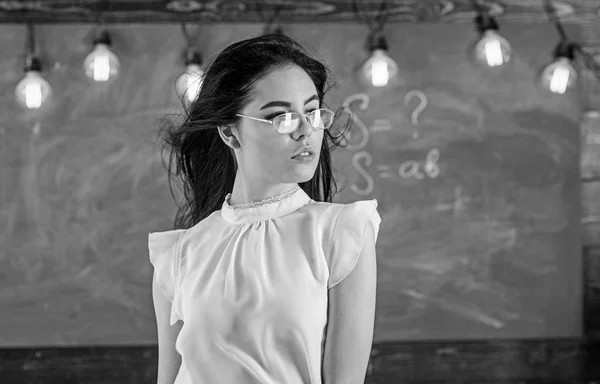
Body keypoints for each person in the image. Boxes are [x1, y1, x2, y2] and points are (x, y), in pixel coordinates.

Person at [148, 33, 382, 384]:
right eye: (282, 117)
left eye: (312, 111)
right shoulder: (179, 254)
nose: (306, 131)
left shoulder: (341, 233)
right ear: (230, 133)